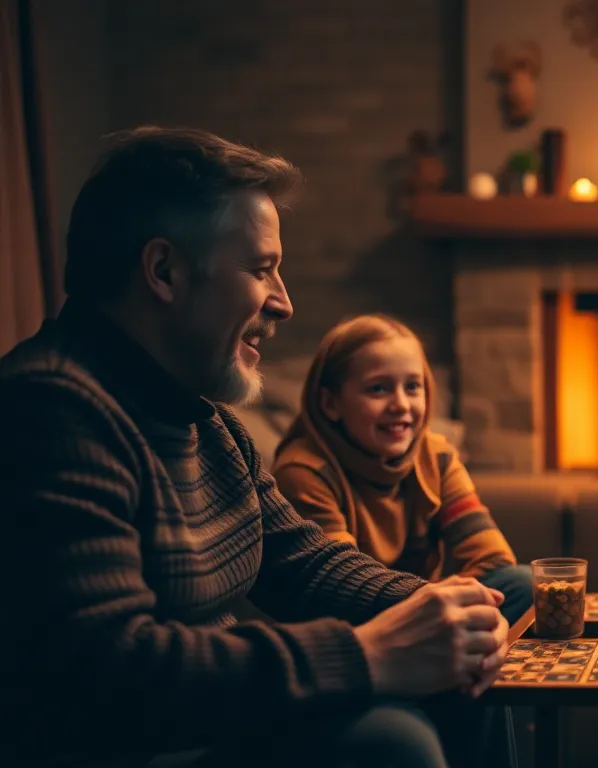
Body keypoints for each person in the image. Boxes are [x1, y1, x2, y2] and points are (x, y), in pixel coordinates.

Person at [0, 126, 510, 767]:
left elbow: (304, 565)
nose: (284, 303)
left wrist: (431, 607)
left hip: (211, 723)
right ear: (164, 271)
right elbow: (115, 665)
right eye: (261, 269)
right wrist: (369, 655)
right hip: (131, 746)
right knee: (390, 744)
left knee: (464, 676)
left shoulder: (206, 422)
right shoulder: (51, 410)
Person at [272, 313, 533, 623]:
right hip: (351, 619)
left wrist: (445, 601)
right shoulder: (304, 471)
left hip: (421, 604)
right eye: (378, 389)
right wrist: (436, 602)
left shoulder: (436, 456)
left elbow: (492, 558)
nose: (401, 404)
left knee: (523, 583)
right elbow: (340, 584)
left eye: (412, 387)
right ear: (331, 403)